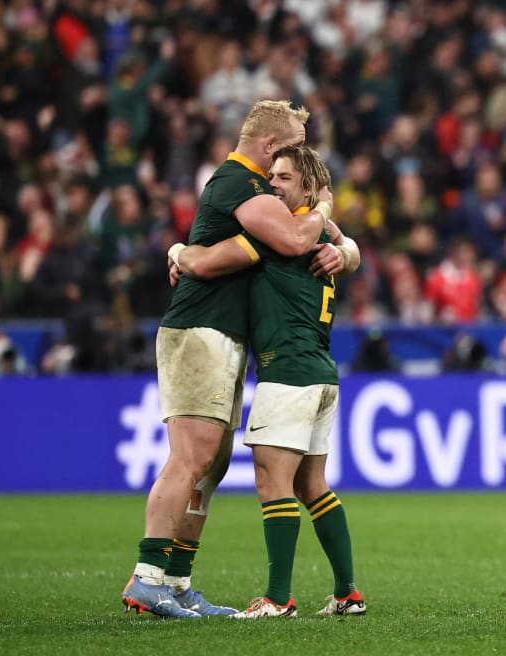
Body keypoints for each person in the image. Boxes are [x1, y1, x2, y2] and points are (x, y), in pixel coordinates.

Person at [121, 100, 351, 618]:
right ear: (270, 147)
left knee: (211, 464)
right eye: (291, 147)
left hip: (224, 338)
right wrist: (181, 253)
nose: (293, 161)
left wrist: (346, 248)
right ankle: (148, 576)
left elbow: (317, 243)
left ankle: (177, 581)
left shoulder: (261, 200)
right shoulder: (239, 186)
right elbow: (285, 241)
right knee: (191, 458)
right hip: (199, 331)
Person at [171, 145, 365, 618]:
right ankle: (347, 594)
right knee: (313, 485)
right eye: (271, 176)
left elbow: (205, 263)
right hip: (321, 372)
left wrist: (178, 250)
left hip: (289, 372)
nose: (271, 185)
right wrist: (346, 248)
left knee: (271, 482)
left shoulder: (281, 239)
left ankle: (278, 599)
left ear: (306, 189)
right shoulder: (324, 242)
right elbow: (350, 247)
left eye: (282, 178)